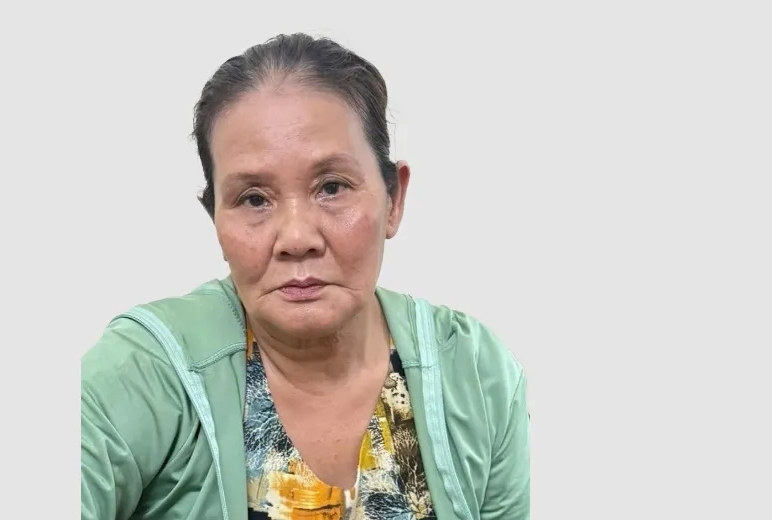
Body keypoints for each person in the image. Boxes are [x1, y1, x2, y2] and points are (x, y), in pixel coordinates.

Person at [81, 33, 530, 520]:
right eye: (254, 198)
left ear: (394, 200)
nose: (296, 237)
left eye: (332, 187)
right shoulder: (143, 373)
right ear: (215, 221)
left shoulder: (475, 373)